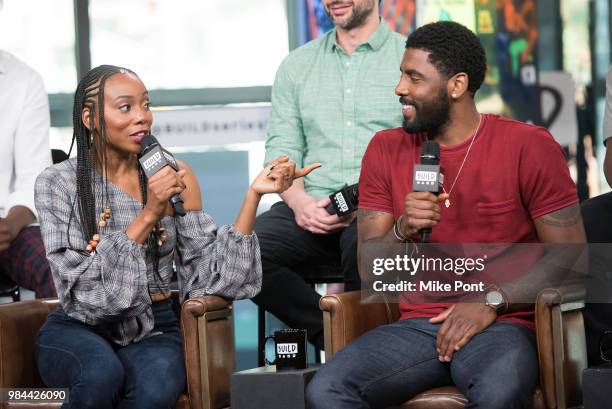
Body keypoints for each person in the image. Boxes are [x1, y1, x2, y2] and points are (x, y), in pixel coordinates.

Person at [307, 21, 585, 409]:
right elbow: (373, 273)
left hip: (501, 323)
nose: (399, 88)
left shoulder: (527, 146)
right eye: (401, 75)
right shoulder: (385, 149)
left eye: (414, 77)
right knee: (326, 389)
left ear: (456, 85)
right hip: (417, 327)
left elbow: (572, 259)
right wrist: (403, 229)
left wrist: (491, 301)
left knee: (500, 391)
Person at [34, 65, 318, 409]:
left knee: (155, 388)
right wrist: (150, 212)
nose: (142, 118)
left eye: (146, 105)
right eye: (126, 107)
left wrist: (253, 196)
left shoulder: (174, 174)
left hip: (155, 326)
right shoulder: (58, 183)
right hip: (79, 325)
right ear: (90, 117)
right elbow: (84, 290)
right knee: (99, 374)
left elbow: (209, 276)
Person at [253, 0, 405, 350]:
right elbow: (282, 150)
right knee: (246, 255)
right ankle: (339, 339)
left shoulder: (409, 58)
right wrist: (300, 202)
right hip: (312, 206)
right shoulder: (298, 65)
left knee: (368, 247)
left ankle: (376, 353)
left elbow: (425, 150)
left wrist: (373, 201)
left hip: (380, 209)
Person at [0, 45, 55, 299]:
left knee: (58, 266)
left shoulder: (23, 81)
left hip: (7, 226)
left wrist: (9, 227)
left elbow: (34, 178)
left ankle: (63, 338)